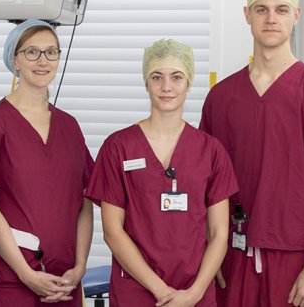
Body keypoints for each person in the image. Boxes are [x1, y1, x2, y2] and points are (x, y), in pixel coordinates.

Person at [199, 0, 304, 306]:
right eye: (261, 9)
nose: (270, 18)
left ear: (296, 15)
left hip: (293, 256)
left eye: (281, 9)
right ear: (247, 15)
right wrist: (210, 251)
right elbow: (207, 187)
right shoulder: (221, 97)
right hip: (231, 252)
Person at [88, 39, 236, 307]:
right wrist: (160, 291)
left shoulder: (211, 151)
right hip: (137, 290)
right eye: (157, 77)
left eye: (176, 77)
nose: (166, 86)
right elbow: (112, 231)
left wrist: (193, 294)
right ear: (146, 82)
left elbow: (218, 233)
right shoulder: (118, 147)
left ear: (189, 83)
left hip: (195, 291)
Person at [0, 19, 94, 306]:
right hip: (11, 282)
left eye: (51, 52)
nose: (43, 61)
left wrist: (79, 267)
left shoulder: (69, 126)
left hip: (65, 281)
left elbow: (85, 202)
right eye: (32, 52)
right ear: (14, 59)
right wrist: (26, 274)